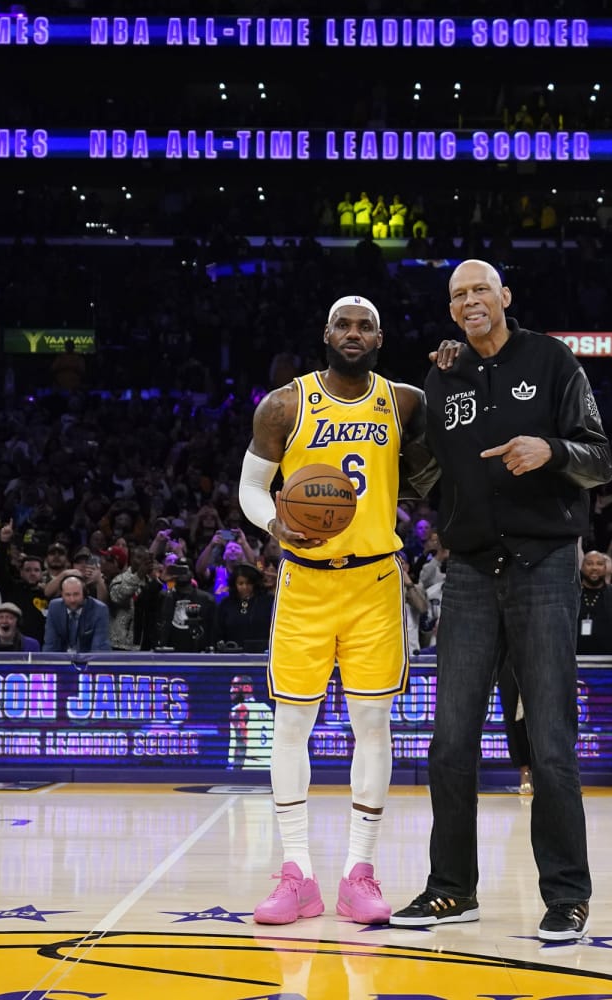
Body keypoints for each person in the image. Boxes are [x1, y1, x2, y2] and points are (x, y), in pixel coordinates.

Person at [391, 260, 611, 943]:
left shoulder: (552, 359)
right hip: (469, 574)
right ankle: (452, 890)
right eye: (459, 295)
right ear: (452, 312)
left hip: (544, 566)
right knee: (449, 741)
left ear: (506, 296)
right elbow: (421, 474)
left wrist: (551, 450)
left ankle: (568, 896)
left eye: (481, 288)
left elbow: (599, 457)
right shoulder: (443, 376)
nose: (471, 300)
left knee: (549, 743)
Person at [238, 293, 432, 927]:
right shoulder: (284, 404)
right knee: (290, 728)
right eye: (343, 325)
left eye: (365, 326)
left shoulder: (404, 402)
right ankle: (297, 874)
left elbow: (437, 476)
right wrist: (276, 525)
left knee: (372, 728)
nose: (353, 333)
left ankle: (359, 873)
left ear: (379, 338)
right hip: (305, 584)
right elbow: (249, 487)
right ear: (325, 333)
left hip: (376, 582)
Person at [43, 573, 111, 653]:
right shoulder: (54, 607)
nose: (72, 600)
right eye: (67, 595)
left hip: (88, 661)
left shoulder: (99, 609)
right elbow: (50, 644)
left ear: (85, 593)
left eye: (76, 594)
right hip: (62, 661)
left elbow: (99, 648)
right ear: (61, 594)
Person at [214, 563, 274, 650]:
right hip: (232, 654)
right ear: (234, 584)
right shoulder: (226, 604)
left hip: (262, 654)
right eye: (241, 583)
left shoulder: (268, 601)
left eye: (249, 583)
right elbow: (218, 633)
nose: (245, 587)